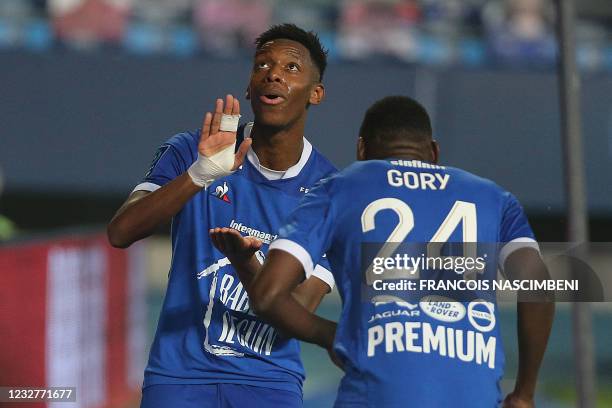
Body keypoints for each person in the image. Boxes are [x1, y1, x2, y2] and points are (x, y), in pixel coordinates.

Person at [211, 96, 555, 407]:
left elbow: (269, 295)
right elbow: (539, 288)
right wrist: (523, 394)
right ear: (432, 152)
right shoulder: (495, 198)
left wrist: (331, 336)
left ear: (361, 150)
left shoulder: (338, 188)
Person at [107, 24, 337, 408]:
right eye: (262, 64)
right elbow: (121, 231)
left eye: (291, 67)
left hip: (270, 384)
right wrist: (200, 175)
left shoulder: (330, 190)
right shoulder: (191, 150)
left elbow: (298, 311)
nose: (273, 73)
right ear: (250, 88)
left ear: (316, 93)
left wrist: (246, 262)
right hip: (178, 379)